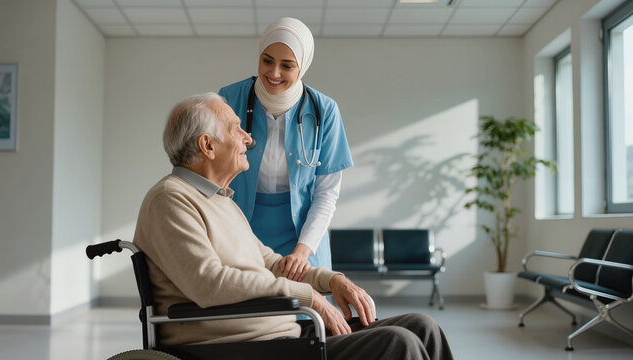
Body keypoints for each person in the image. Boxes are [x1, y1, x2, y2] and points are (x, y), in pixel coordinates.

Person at [132, 93, 453, 360]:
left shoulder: (222, 201)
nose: (248, 138)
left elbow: (272, 264)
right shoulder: (170, 199)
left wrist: (331, 280)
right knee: (398, 344)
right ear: (208, 145)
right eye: (235, 129)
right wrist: (308, 297)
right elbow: (208, 283)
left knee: (421, 326)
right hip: (232, 347)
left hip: (278, 333)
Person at [219, 17, 352, 281]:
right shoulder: (228, 99)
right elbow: (211, 174)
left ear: (302, 67)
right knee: (248, 316)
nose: (274, 73)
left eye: (287, 65)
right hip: (242, 231)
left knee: (307, 317)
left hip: (303, 237)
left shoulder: (324, 111)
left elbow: (326, 195)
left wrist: (303, 251)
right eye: (267, 60)